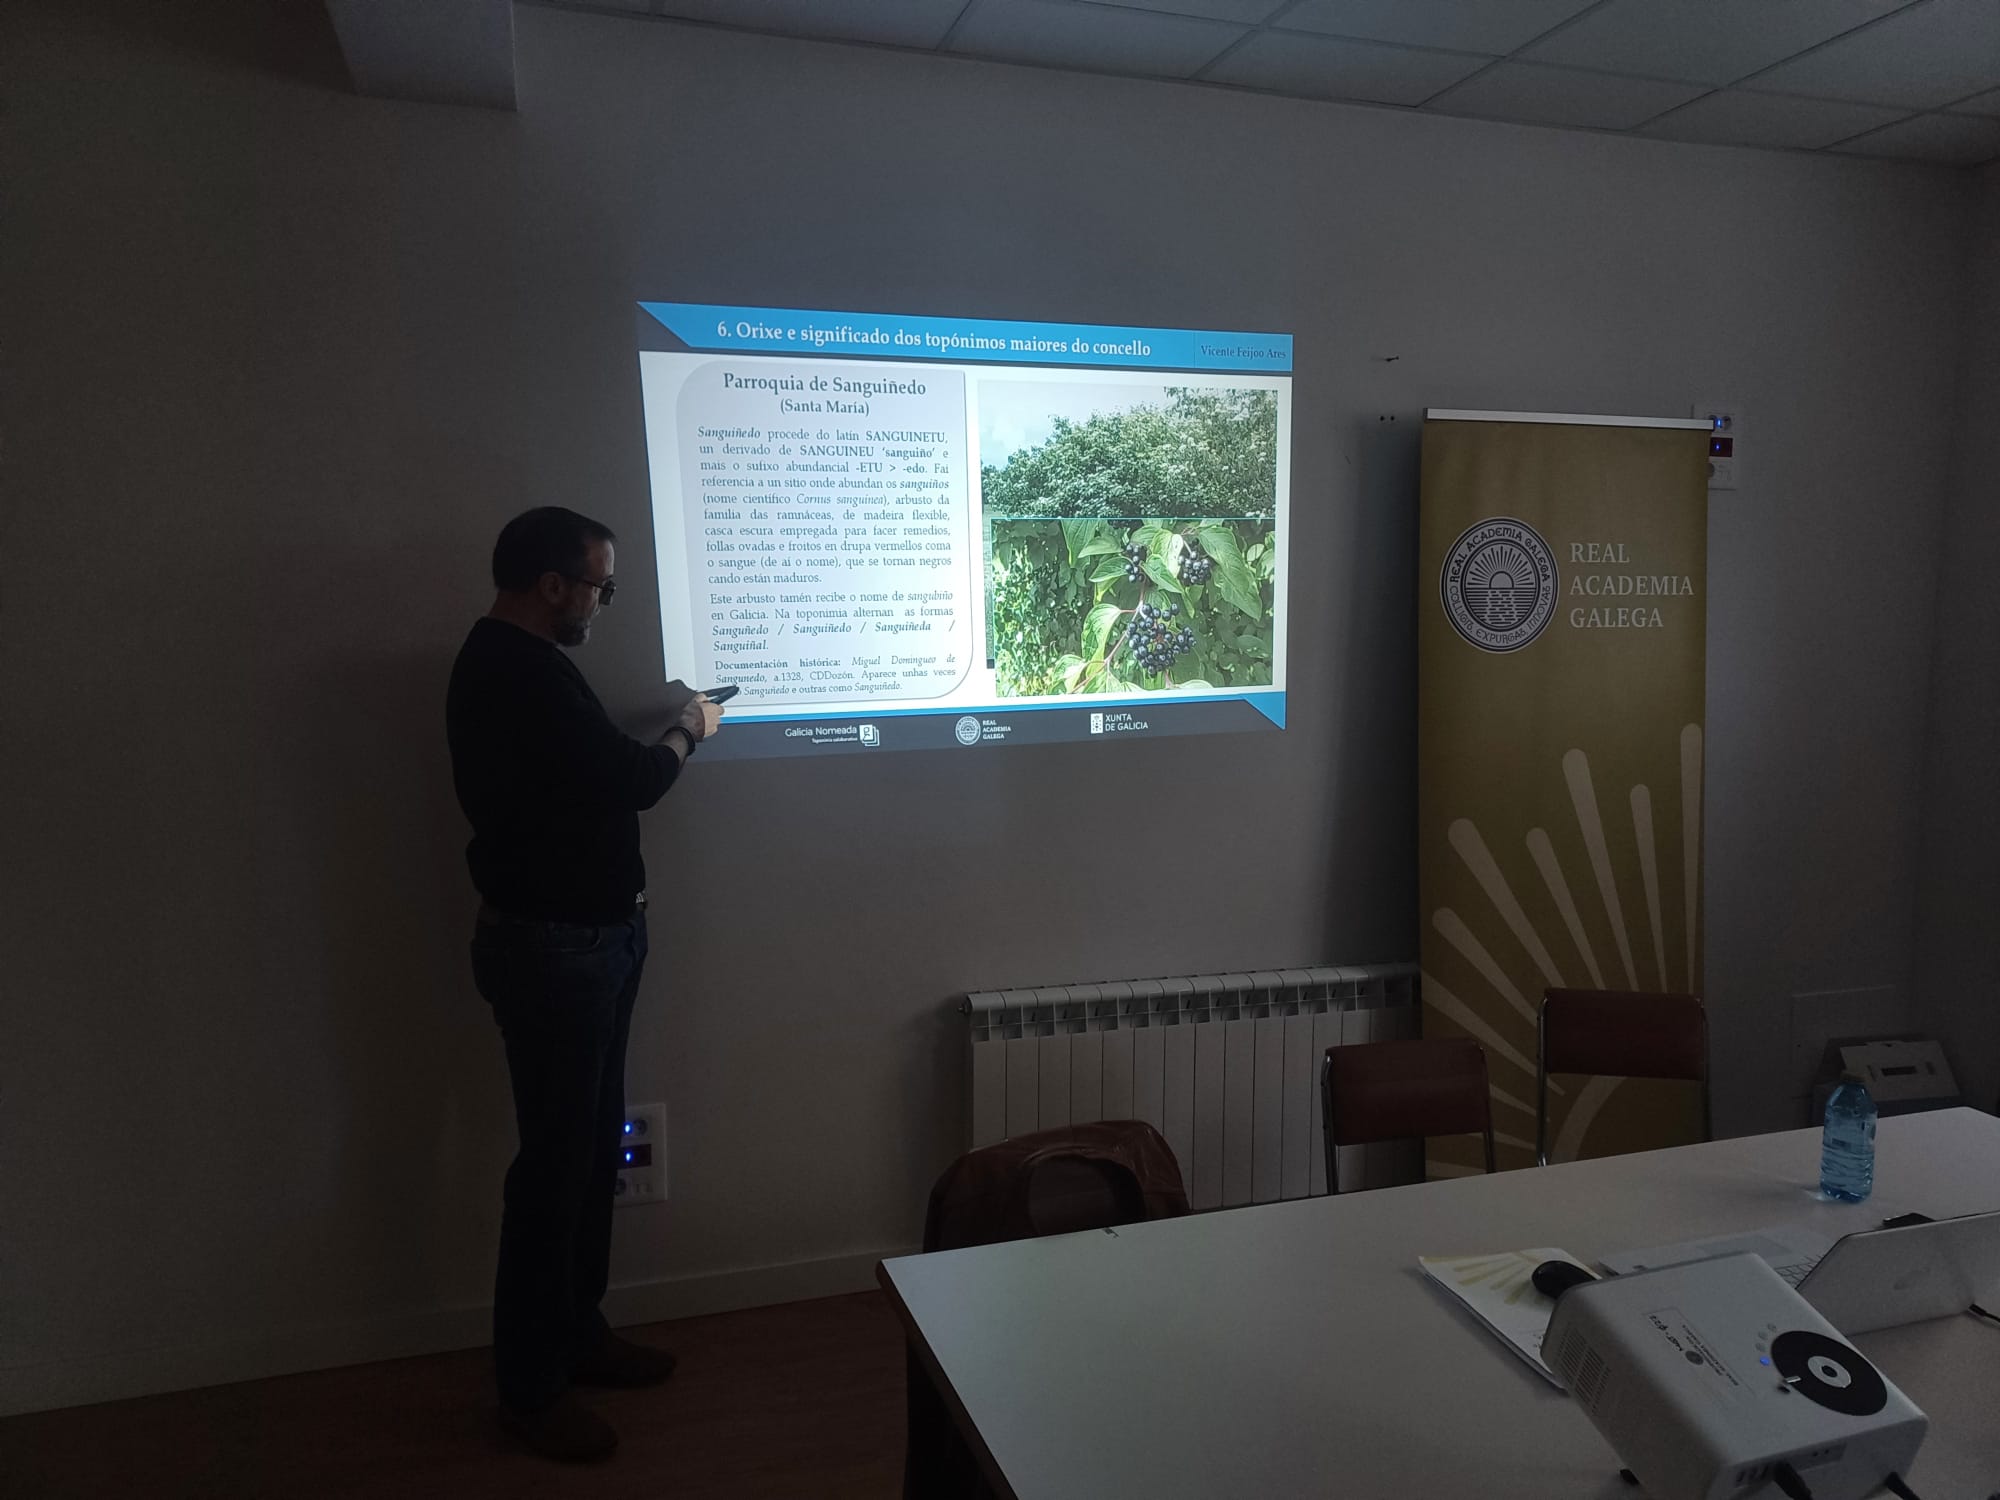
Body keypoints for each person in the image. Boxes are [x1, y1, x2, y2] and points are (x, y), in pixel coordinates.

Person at [445, 506, 721, 1462]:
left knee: (591, 1154)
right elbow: (636, 780)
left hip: (590, 942)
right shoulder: (512, 671)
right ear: (551, 584)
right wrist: (693, 727)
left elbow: (581, 774)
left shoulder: (522, 666)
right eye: (599, 586)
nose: (603, 602)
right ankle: (528, 1390)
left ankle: (579, 1333)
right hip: (555, 951)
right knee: (554, 1174)